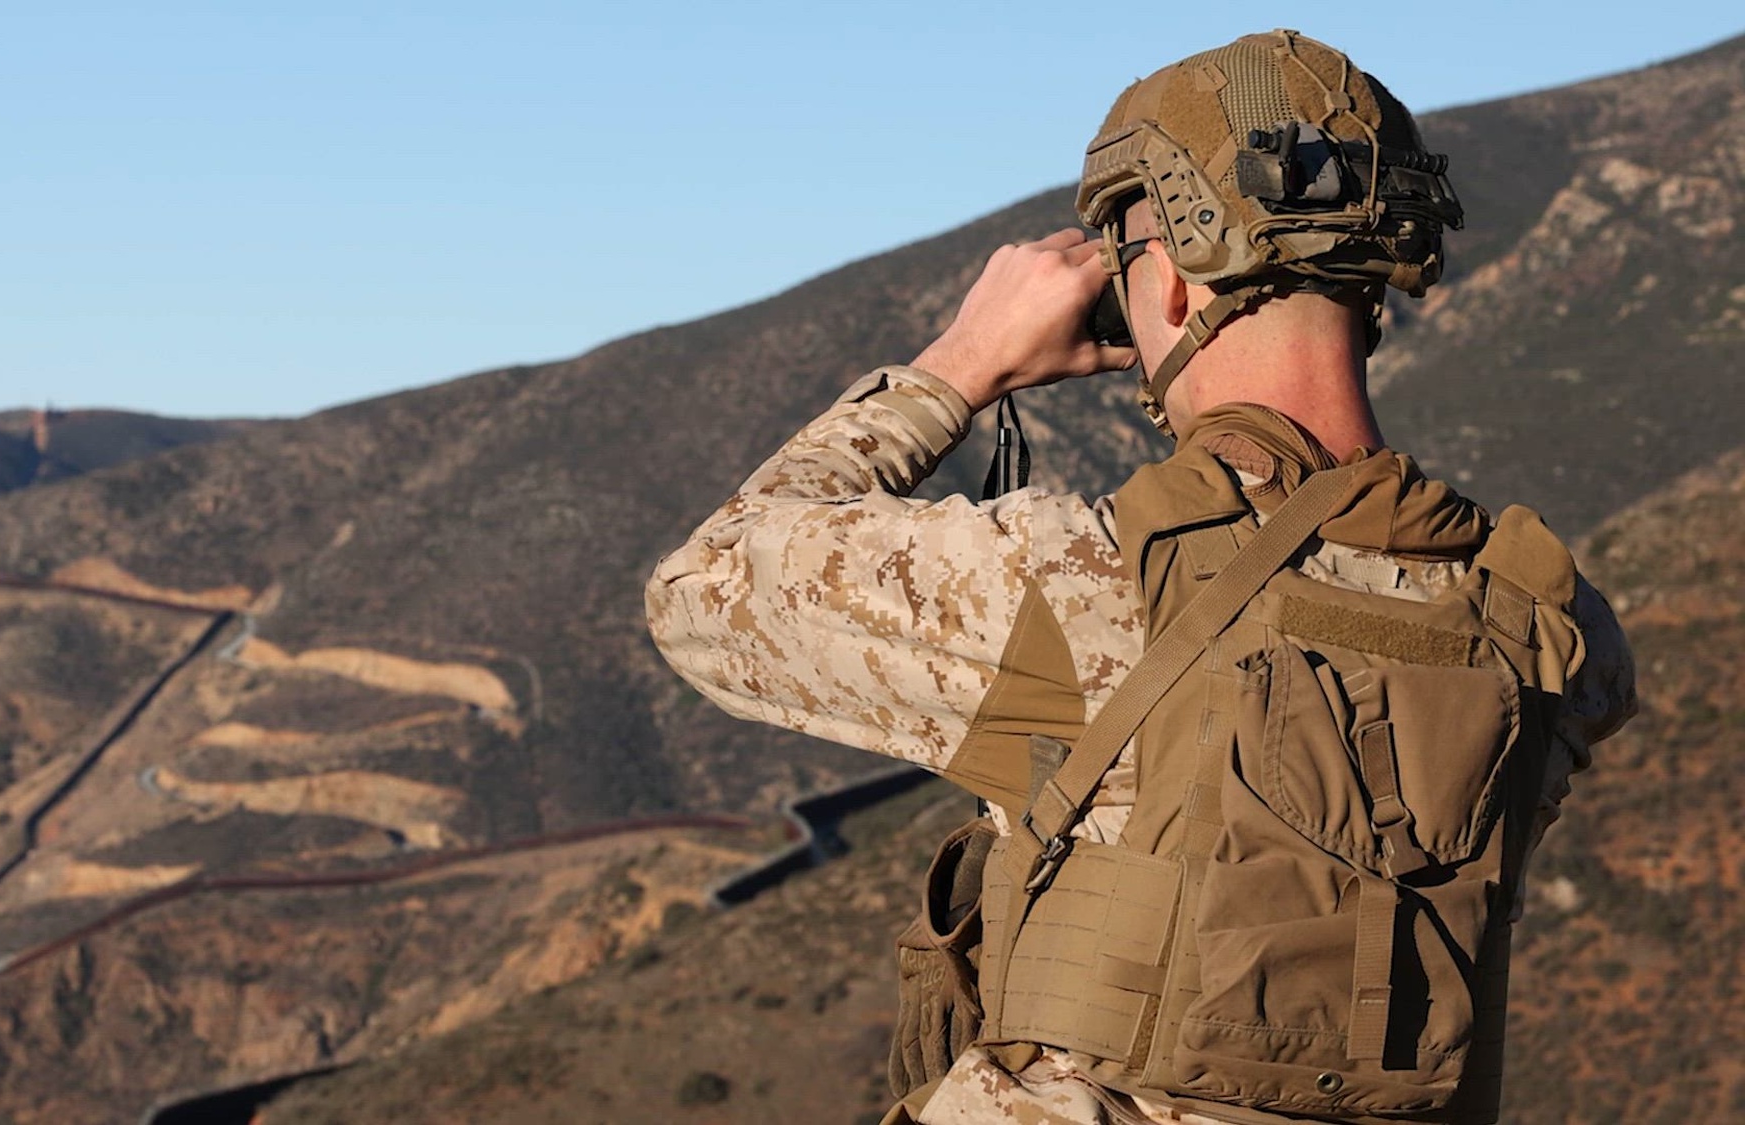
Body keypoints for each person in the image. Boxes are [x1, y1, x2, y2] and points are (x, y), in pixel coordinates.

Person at [646, 29, 1636, 1125]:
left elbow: (702, 591)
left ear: (1163, 281)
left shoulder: (1078, 588)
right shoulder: (1549, 626)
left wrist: (958, 367)